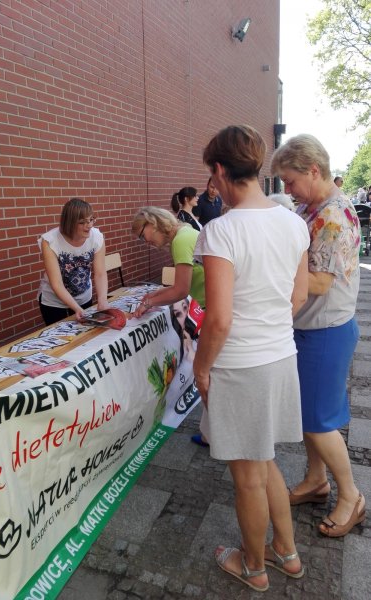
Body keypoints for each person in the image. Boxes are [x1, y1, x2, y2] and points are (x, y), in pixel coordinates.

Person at [193, 125, 309, 593]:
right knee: (265, 462)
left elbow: (219, 319)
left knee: (247, 477)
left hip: (240, 367)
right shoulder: (294, 222)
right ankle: (288, 554)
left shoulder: (220, 231)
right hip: (281, 357)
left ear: (220, 170)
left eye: (212, 175)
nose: (212, 184)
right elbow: (298, 297)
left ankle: (254, 566)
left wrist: (201, 368)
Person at [271, 134, 365, 538]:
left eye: (289, 180)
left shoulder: (331, 215)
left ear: (313, 170)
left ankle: (352, 496)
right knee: (309, 416)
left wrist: (265, 271)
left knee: (318, 420)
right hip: (315, 328)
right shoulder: (314, 208)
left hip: (325, 330)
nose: (286, 189)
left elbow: (320, 283)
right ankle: (315, 480)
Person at [38, 198, 110, 325]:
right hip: (54, 303)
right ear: (69, 223)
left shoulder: (97, 237)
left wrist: (102, 300)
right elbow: (56, 283)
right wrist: (76, 308)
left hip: (84, 298)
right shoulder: (50, 241)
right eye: (82, 222)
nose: (89, 225)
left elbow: (100, 273)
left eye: (91, 219)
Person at [131, 207, 205, 316]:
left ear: (152, 222)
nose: (145, 242)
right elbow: (182, 285)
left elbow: (181, 291)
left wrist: (149, 303)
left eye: (142, 236)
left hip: (212, 307)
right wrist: (155, 294)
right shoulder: (183, 232)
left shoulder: (180, 240)